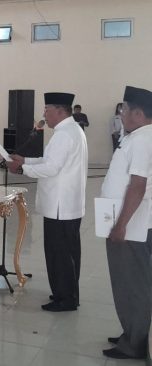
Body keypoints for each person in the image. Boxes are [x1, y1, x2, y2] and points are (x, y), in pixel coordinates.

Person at [7, 92, 87, 312]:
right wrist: (26, 160)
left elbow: (51, 168)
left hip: (60, 206)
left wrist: (22, 168)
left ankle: (66, 299)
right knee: (67, 253)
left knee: (59, 253)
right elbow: (50, 161)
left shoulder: (64, 134)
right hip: (67, 204)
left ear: (60, 111)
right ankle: (66, 293)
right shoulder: (71, 130)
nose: (44, 114)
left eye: (47, 110)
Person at [100, 86, 152, 360]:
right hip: (126, 222)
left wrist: (120, 225)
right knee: (128, 282)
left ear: (138, 113)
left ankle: (136, 342)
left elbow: (138, 186)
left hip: (132, 226)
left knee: (132, 284)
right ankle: (131, 331)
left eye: (124, 109)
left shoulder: (144, 139)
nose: (121, 113)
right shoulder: (136, 136)